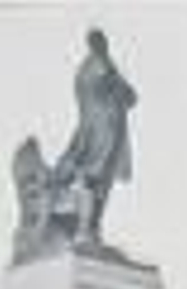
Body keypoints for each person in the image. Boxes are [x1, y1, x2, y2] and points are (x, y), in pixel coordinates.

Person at [56, 28, 138, 246]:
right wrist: (115, 90)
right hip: (98, 131)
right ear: (92, 44)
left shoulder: (107, 65)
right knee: (89, 179)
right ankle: (81, 229)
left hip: (111, 132)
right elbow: (104, 93)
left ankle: (91, 229)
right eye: (98, 42)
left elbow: (131, 97)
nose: (103, 45)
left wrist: (118, 90)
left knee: (102, 183)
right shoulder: (91, 69)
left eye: (103, 41)